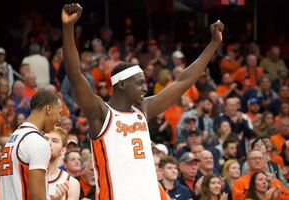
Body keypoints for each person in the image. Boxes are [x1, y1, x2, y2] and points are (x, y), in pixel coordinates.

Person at [62, 3, 224, 199]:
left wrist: (213, 44)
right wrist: (68, 28)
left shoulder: (143, 109)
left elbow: (184, 81)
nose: (145, 88)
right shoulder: (101, 113)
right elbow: (74, 74)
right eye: (139, 83)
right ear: (121, 85)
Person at [0, 90, 62, 200]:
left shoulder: (14, 137)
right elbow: (37, 197)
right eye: (59, 112)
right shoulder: (37, 141)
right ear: (48, 109)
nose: (59, 120)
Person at [45, 126, 80, 200]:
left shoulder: (71, 183)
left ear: (63, 151)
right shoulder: (26, 174)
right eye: (45, 139)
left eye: (54, 141)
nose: (48, 143)